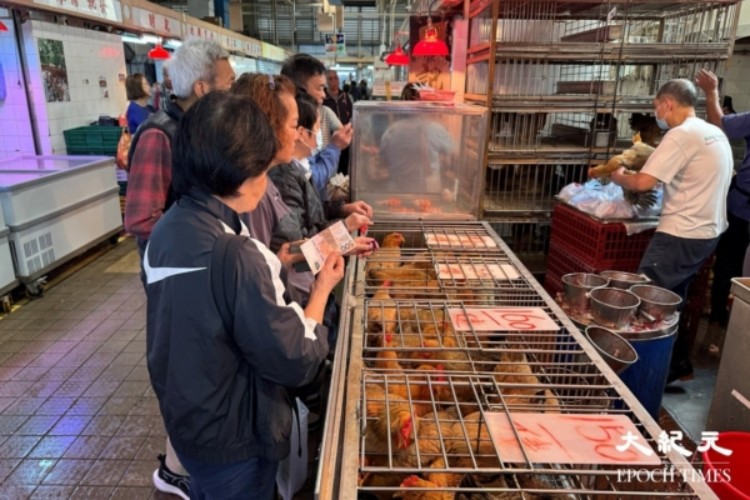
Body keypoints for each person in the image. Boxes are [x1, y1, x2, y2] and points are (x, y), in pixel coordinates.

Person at [145, 90, 341, 500]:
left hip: (187, 419)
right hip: (235, 438)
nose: (266, 180)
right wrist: (322, 289)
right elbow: (296, 358)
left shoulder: (167, 228)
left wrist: (276, 265)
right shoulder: (237, 253)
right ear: (241, 173)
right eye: (262, 169)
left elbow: (200, 311)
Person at [124, 38, 236, 499]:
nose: (233, 93)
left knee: (203, 373)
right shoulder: (160, 134)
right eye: (228, 84)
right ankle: (174, 472)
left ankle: (187, 463)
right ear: (203, 87)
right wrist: (198, 237)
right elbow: (141, 218)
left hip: (202, 274)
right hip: (176, 281)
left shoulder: (198, 131)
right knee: (183, 376)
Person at [610, 79, 733, 383]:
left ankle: (640, 377)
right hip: (708, 232)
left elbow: (643, 183)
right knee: (671, 300)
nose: (657, 115)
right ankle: (676, 364)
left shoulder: (680, 135)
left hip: (681, 233)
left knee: (646, 303)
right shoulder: (712, 131)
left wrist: (618, 176)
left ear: (667, 103)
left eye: (656, 107)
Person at [694, 70, 750, 353]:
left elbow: (718, 122)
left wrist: (711, 91)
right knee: (733, 268)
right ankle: (725, 317)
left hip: (742, 208)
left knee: (729, 266)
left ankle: (723, 317)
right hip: (742, 206)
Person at [281, 54, 352, 199]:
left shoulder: (324, 110)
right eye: (320, 88)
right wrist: (334, 147)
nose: (324, 95)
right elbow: (310, 180)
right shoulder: (283, 154)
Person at [324, 70, 354, 177]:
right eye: (330, 79)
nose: (334, 81)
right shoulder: (324, 98)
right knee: (330, 166)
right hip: (329, 139)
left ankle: (342, 185)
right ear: (326, 81)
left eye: (335, 78)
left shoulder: (345, 96)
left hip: (345, 138)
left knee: (344, 166)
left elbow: (352, 114)